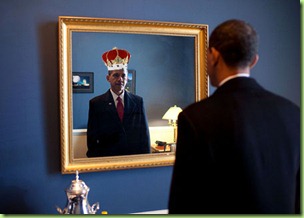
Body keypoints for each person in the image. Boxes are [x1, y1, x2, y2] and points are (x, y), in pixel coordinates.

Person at [168, 19, 300, 214]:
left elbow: (183, 205)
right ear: (254, 60)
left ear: (213, 55)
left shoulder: (195, 118)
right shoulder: (292, 112)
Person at [86, 47, 151, 157]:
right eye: (116, 75)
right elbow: (92, 137)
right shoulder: (96, 103)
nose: (120, 79)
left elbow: (144, 134)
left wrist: (146, 159)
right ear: (108, 78)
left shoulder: (138, 101)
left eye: (123, 75)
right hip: (107, 158)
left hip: (133, 159)